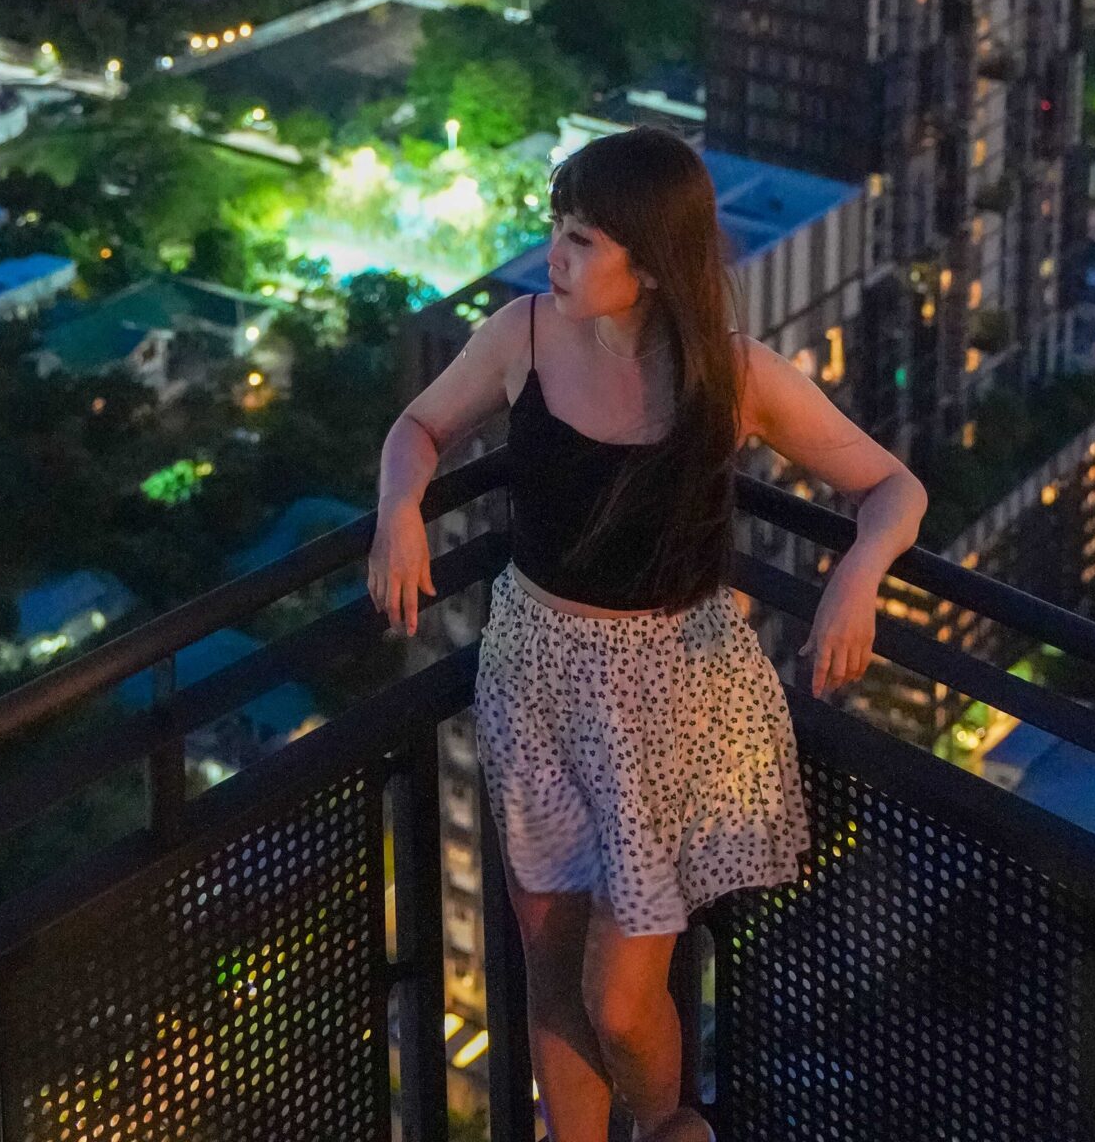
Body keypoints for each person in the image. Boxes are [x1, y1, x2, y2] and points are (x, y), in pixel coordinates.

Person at [368, 126, 927, 1142]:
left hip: (669, 697)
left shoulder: (734, 375)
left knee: (622, 995)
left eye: (582, 239)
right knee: (549, 971)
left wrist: (858, 574)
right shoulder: (524, 333)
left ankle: (673, 1127)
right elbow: (418, 427)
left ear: (654, 263)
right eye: (558, 230)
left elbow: (892, 485)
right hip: (535, 671)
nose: (556, 256)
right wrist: (400, 508)